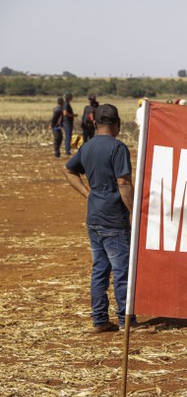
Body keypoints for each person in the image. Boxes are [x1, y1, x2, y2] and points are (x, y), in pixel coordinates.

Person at [63, 104, 137, 333]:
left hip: (94, 218)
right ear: (117, 125)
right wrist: (135, 212)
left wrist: (88, 193)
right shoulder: (118, 147)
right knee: (122, 270)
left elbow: (68, 170)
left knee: (100, 270)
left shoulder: (87, 147)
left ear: (94, 124)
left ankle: (99, 320)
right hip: (114, 219)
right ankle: (127, 321)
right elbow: (123, 184)